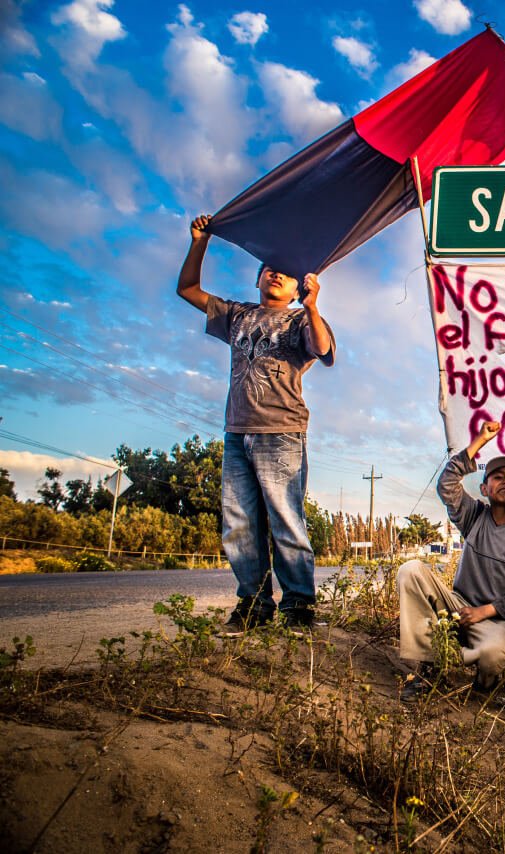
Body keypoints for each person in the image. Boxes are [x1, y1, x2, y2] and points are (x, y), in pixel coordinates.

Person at [177, 214, 335, 634]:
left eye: (285, 272)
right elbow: (187, 289)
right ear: (258, 279)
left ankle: (299, 606)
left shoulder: (301, 320)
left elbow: (320, 348)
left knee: (285, 519)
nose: (276, 273)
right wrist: (201, 241)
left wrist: (313, 306)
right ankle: (254, 604)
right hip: (236, 433)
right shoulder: (237, 315)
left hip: (281, 434)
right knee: (239, 522)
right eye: (269, 268)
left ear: (298, 287)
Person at [397, 421, 505, 698]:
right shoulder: (475, 516)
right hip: (457, 606)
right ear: (484, 488)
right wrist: (479, 441)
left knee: (496, 655)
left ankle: (481, 680)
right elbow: (447, 486)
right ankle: (427, 668)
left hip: (496, 620)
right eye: (497, 477)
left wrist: (485, 611)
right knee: (411, 569)